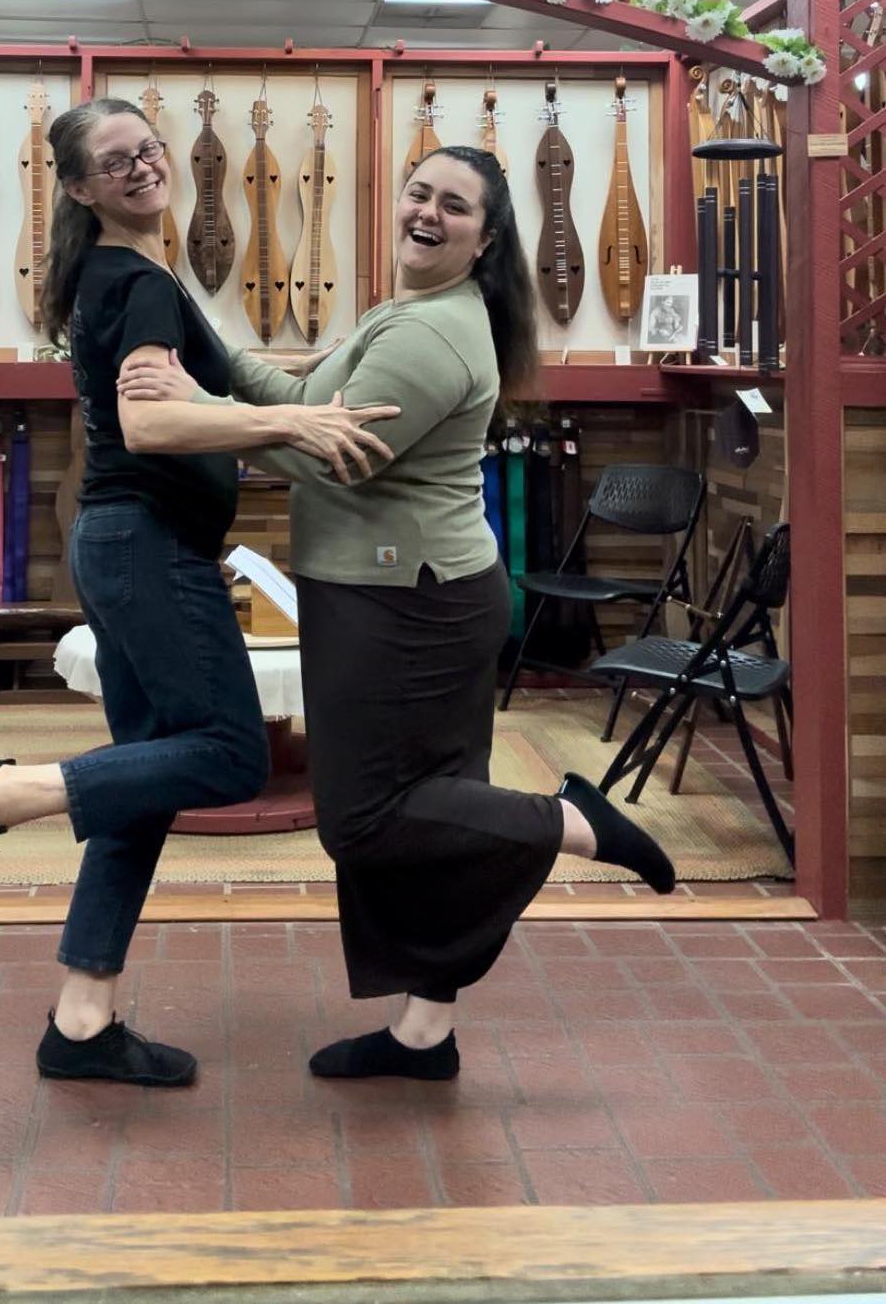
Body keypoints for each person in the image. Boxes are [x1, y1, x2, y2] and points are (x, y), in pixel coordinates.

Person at [118, 145, 676, 1082]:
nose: (426, 211)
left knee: (364, 819)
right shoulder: (407, 310)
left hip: (405, 601)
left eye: (452, 206)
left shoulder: (431, 335)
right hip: (398, 590)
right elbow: (303, 405)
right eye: (418, 192)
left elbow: (327, 454)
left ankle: (569, 819)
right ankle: (424, 1032)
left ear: (485, 237)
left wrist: (200, 406)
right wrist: (221, 366)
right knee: (429, 811)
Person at [0, 98, 398, 1088]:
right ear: (84, 188)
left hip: (131, 544)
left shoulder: (135, 273)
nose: (144, 167)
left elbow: (228, 377)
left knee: (143, 783)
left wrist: (337, 371)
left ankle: (81, 1022)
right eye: (117, 160)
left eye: (148, 148)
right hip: (149, 546)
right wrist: (293, 432)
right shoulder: (134, 280)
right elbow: (151, 426)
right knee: (227, 758)